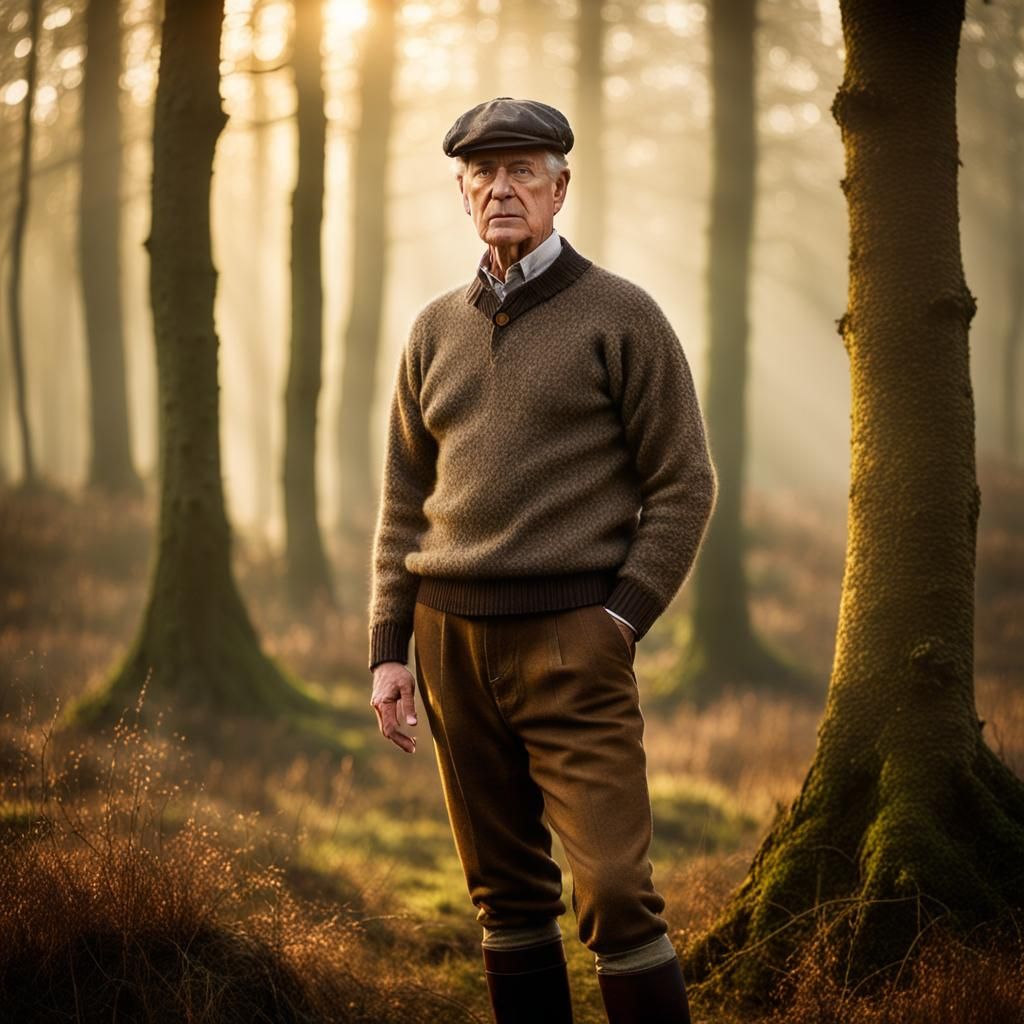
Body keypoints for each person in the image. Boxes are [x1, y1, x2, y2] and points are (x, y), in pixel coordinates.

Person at [368, 97, 717, 1024]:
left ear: (560, 189)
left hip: (574, 642)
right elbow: (404, 501)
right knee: (506, 897)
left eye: (523, 171)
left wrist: (622, 619)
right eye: (482, 174)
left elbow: (685, 484)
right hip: (448, 646)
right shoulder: (433, 329)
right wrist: (389, 650)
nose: (501, 189)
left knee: (615, 893)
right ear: (462, 194)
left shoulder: (623, 316)